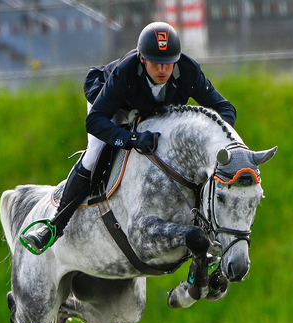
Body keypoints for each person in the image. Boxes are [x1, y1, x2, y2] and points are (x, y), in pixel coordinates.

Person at [20, 21, 237, 254]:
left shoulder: (188, 71)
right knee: (94, 154)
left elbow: (225, 110)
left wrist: (212, 142)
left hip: (150, 110)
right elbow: (95, 121)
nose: (163, 70)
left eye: (168, 63)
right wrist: (131, 139)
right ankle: (54, 227)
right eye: (156, 63)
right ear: (143, 59)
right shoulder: (126, 72)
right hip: (112, 104)